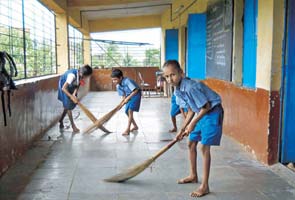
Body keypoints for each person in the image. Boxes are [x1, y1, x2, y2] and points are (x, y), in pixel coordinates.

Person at [162, 60, 223, 198]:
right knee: (191, 143)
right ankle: (193, 175)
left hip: (212, 112)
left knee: (204, 148)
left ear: (181, 73)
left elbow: (206, 106)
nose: (170, 79)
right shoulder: (177, 90)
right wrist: (182, 128)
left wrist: (192, 124)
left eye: (172, 75)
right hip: (201, 111)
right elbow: (190, 109)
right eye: (166, 76)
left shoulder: (190, 87)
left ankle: (205, 186)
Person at [58, 64, 93, 133]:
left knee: (67, 106)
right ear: (83, 74)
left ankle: (61, 120)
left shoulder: (80, 74)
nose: (87, 78)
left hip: (71, 87)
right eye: (87, 76)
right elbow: (64, 88)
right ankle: (73, 126)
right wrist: (71, 96)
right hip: (64, 86)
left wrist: (74, 94)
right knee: (68, 106)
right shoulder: (72, 76)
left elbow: (78, 84)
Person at [111, 69, 141, 136]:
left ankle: (127, 129)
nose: (114, 81)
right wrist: (120, 105)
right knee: (126, 112)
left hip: (136, 94)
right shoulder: (118, 86)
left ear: (121, 77)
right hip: (128, 96)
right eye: (113, 80)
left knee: (130, 110)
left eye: (115, 79)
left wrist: (127, 98)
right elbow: (123, 97)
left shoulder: (127, 81)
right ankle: (135, 126)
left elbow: (135, 90)